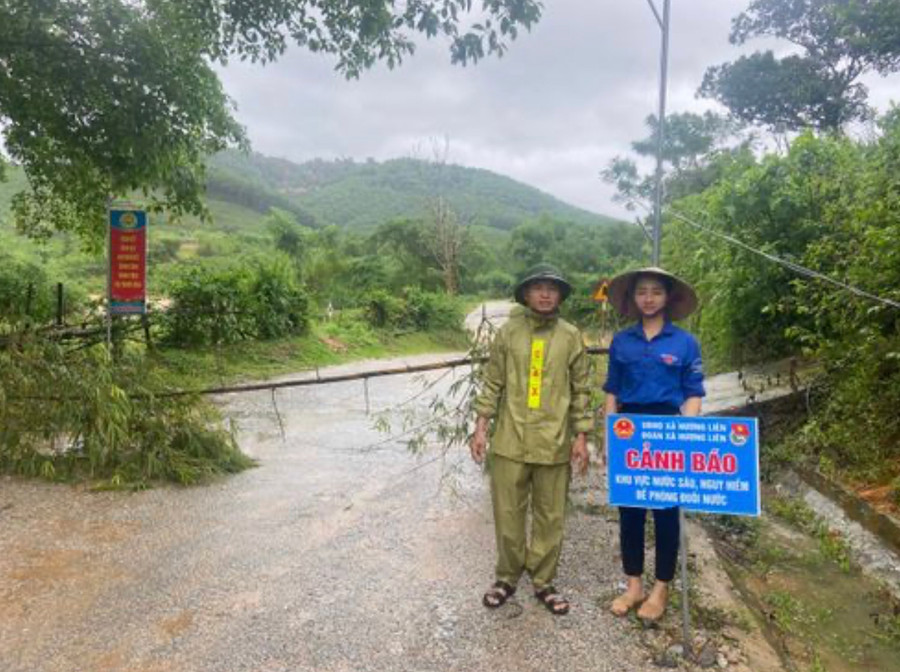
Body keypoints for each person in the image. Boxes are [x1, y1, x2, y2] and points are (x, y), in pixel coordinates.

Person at [469, 263, 592, 615]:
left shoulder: (570, 336)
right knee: (507, 511)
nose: (544, 293)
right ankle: (506, 577)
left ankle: (544, 581)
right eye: (537, 287)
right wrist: (480, 428)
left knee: (550, 515)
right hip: (510, 439)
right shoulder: (508, 333)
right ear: (525, 294)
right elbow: (493, 382)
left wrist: (581, 437)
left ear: (560, 296)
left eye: (551, 288)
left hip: (554, 441)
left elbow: (581, 390)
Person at [602, 267, 705, 621]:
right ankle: (634, 586)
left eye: (656, 292)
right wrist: (609, 436)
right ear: (633, 298)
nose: (648, 298)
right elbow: (612, 392)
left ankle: (661, 589)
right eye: (642, 292)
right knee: (629, 511)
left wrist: (686, 437)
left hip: (668, 431)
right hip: (629, 431)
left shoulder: (685, 343)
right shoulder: (622, 341)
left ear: (668, 298)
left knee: (665, 515)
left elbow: (693, 394)